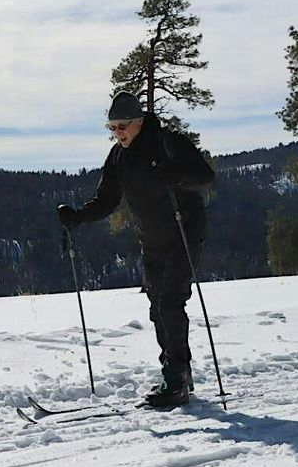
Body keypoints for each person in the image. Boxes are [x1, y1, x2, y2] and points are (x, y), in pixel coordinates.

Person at [56, 91, 215, 407]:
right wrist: (78, 217)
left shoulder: (168, 143)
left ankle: (176, 379)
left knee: (170, 304)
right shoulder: (118, 157)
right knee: (157, 308)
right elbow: (107, 200)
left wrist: (176, 175)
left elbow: (205, 176)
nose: (118, 133)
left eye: (122, 126)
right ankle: (176, 372)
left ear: (139, 121)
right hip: (152, 240)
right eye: (112, 127)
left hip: (185, 234)